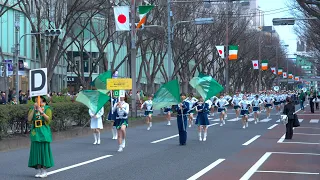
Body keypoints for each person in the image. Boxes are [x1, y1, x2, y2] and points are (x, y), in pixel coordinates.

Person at [27, 96, 54, 178]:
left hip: (44, 130)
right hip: (35, 131)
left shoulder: (47, 108)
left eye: (38, 97)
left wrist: (41, 111)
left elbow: (48, 120)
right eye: (35, 98)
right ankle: (38, 170)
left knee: (44, 151)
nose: (36, 99)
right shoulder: (32, 108)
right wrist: (34, 109)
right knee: (36, 150)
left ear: (42, 98)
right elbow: (29, 119)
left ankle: (44, 170)